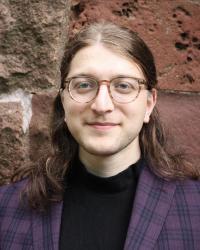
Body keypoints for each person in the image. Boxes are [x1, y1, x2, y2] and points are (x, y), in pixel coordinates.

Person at [0, 21, 199, 250]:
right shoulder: (5, 208)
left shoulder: (195, 209)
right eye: (84, 84)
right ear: (64, 101)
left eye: (123, 86)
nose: (102, 105)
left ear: (148, 104)